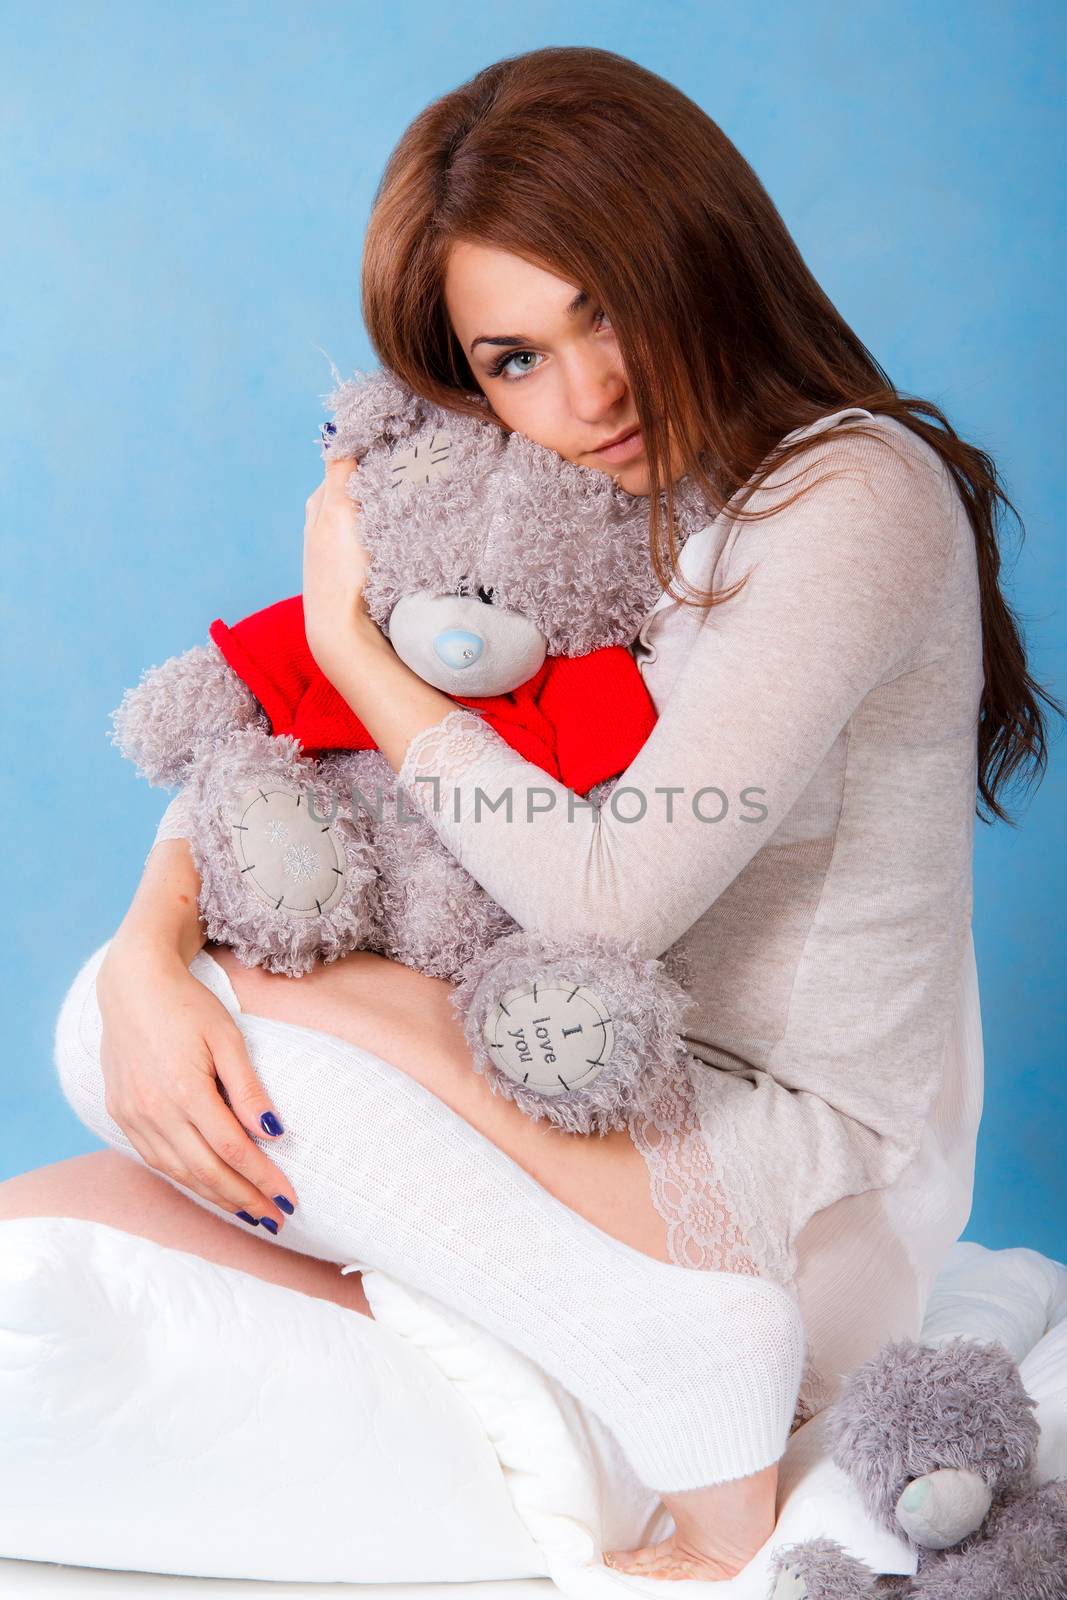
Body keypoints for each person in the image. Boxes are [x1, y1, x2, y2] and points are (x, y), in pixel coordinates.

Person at [5, 45, 1060, 1584]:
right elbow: (306, 760)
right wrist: (159, 941)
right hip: (569, 1136)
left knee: (106, 1026)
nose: (585, 394)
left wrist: (360, 651)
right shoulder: (581, 495)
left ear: (703, 252)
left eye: (608, 307)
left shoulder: (846, 491)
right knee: (87, 1125)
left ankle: (680, 1352)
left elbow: (605, 903)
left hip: (784, 1183)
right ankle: (632, 1349)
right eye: (512, 359)